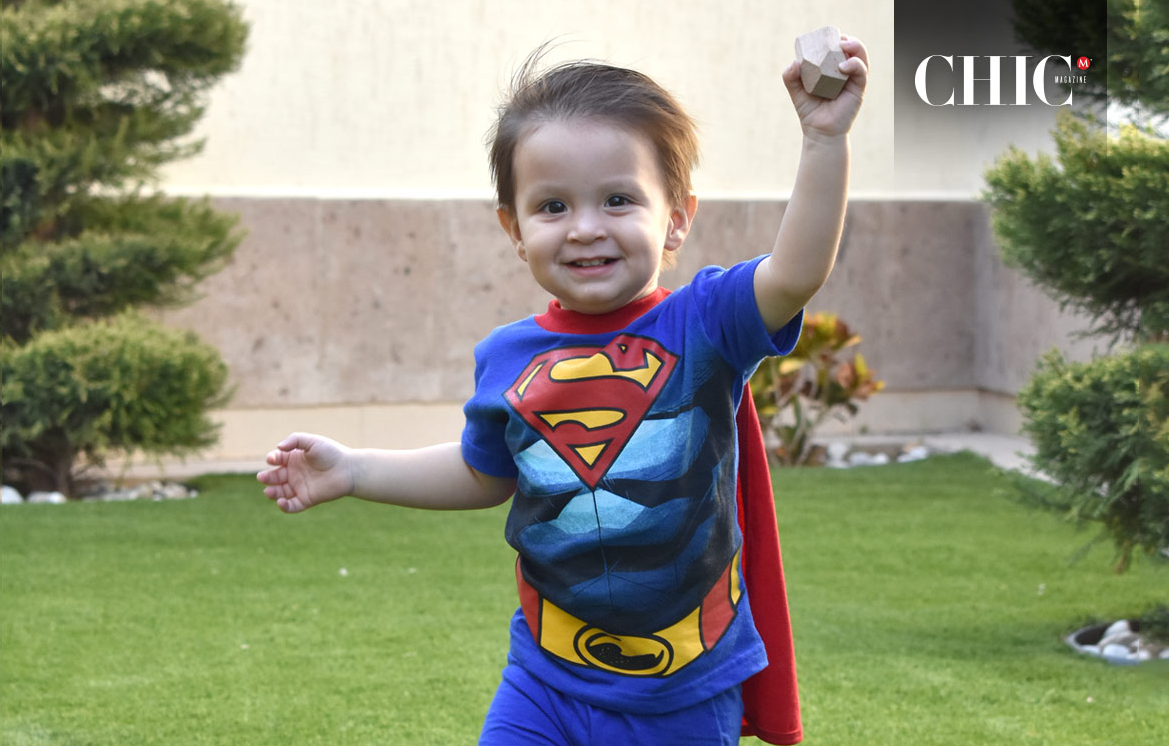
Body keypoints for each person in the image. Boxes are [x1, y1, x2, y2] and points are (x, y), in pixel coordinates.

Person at [258, 37, 868, 746]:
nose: (585, 228)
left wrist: (824, 141)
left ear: (675, 216)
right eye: (552, 206)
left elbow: (795, 274)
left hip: (682, 687)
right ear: (514, 229)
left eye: (617, 199)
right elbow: (483, 471)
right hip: (545, 678)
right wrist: (355, 469)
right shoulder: (507, 357)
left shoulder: (705, 322)